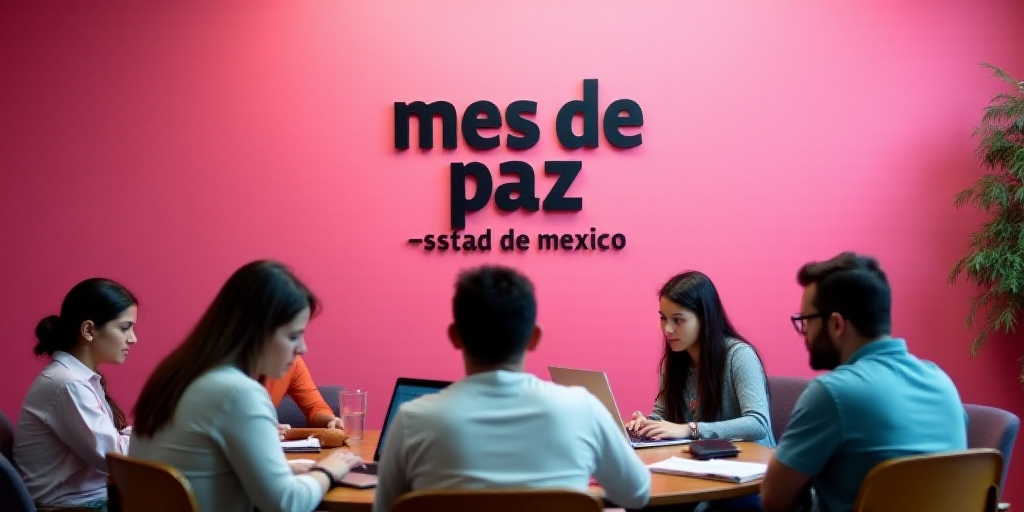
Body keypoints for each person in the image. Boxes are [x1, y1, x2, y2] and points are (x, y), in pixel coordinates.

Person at [372, 266, 651, 512]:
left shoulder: (412, 420)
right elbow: (637, 494)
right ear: (534, 337)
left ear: (455, 336)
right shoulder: (582, 408)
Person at [130, 260, 362, 512]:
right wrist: (328, 469)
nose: (302, 348)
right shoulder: (238, 392)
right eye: (293, 336)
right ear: (256, 331)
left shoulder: (174, 375)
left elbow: (205, 467)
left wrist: (284, 471)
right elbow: (287, 504)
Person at [761, 252, 966, 512]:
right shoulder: (942, 382)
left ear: (836, 324)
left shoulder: (832, 393)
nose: (805, 335)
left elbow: (773, 500)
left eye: (806, 321)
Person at [13, 278, 138, 512]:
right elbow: (113, 458)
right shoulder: (68, 384)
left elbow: (111, 442)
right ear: (89, 330)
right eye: (124, 328)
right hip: (70, 507)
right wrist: (158, 432)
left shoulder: (76, 379)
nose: (133, 338)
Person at [626, 271, 774, 447]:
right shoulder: (674, 360)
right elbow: (662, 415)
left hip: (752, 463)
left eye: (678, 320)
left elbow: (758, 424)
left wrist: (691, 429)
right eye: (663, 318)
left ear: (704, 318)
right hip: (706, 459)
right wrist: (646, 425)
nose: (667, 329)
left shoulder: (739, 356)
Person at [264, 355, 343, 439]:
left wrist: (331, 420)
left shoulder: (293, 362)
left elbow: (314, 407)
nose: (302, 349)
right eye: (291, 340)